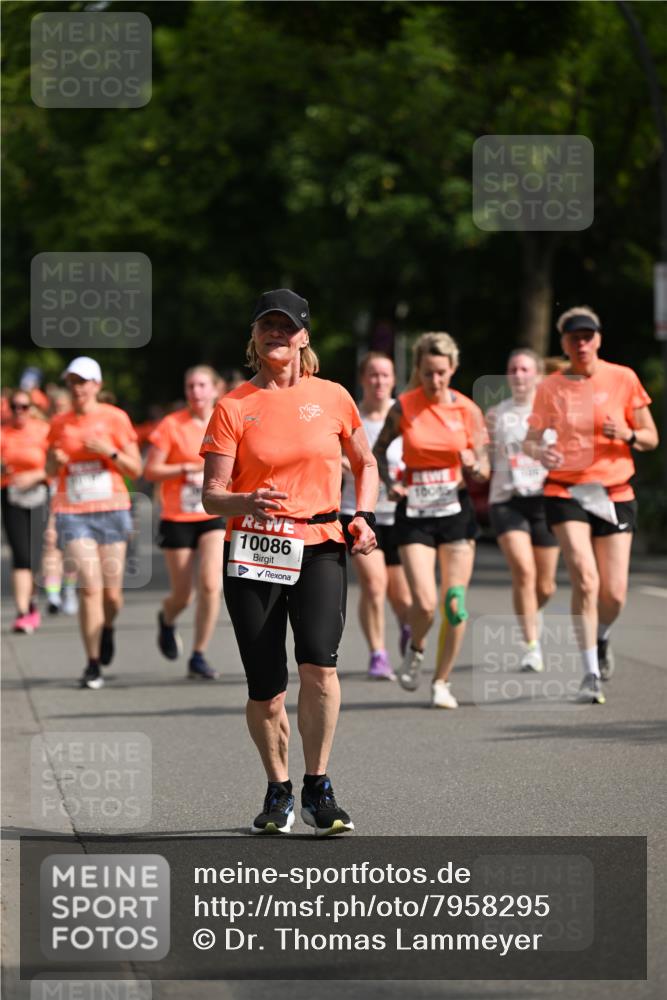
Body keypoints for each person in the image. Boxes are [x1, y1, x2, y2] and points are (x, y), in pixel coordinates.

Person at [201, 288, 377, 835]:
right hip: (254, 549)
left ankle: (317, 787)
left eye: (286, 326)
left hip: (320, 541)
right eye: (266, 325)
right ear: (254, 336)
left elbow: (365, 463)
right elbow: (211, 496)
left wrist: (363, 515)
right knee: (267, 687)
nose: (276, 333)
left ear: (304, 336)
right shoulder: (233, 406)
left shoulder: (333, 397)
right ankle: (277, 788)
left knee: (320, 667)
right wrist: (244, 501)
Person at [524, 306, 658, 704]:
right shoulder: (551, 386)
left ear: (598, 339)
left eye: (587, 336)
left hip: (615, 491)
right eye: (574, 338)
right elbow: (530, 441)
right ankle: (590, 674)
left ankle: (601, 638)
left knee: (614, 594)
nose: (581, 343)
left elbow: (651, 437)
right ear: (564, 343)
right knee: (585, 578)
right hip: (566, 489)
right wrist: (541, 453)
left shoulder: (623, 378)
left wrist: (629, 434)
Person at [374, 332, 489, 708]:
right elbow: (377, 451)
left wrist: (474, 466)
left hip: (455, 511)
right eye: (427, 373)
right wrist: (390, 484)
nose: (434, 380)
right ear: (418, 370)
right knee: (424, 604)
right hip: (415, 514)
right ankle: (417, 648)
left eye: (441, 372)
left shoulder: (468, 411)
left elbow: (485, 467)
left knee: (455, 604)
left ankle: (442, 681)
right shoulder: (404, 406)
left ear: (453, 369)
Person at [46, 357, 142, 689]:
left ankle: (108, 627)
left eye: (83, 381)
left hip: (112, 510)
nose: (77, 388)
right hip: (73, 511)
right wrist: (54, 460)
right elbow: (48, 470)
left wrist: (108, 451)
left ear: (97, 385)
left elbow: (136, 469)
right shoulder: (59, 423)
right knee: (89, 587)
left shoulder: (115, 418)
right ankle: (92, 663)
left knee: (111, 596)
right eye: (72, 382)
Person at [144, 365, 225, 680]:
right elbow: (151, 470)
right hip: (177, 516)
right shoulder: (171, 424)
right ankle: (167, 618)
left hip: (213, 514)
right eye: (191, 386)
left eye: (202, 385)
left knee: (211, 584)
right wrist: (185, 470)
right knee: (183, 595)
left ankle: (198, 655)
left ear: (215, 388)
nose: (196, 391)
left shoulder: (225, 420)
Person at [340, 352, 412, 679]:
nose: (379, 381)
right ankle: (377, 654)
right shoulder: (350, 415)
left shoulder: (406, 414)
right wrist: (349, 465)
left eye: (385, 375)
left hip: (399, 514)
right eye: (373, 374)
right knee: (374, 583)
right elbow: (328, 453)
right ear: (363, 379)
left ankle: (407, 627)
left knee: (403, 596)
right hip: (356, 512)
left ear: (394, 379)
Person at [486, 349, 559, 672]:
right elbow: (483, 455)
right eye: (513, 369)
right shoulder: (496, 415)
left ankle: (531, 611)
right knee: (524, 572)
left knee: (546, 586)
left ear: (538, 375)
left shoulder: (554, 414)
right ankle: (532, 645)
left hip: (544, 500)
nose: (518, 374)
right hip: (506, 500)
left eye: (525, 369)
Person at [1, 389, 50, 632]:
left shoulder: (43, 430)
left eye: (24, 406)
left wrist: (36, 475)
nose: (19, 411)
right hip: (11, 496)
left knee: (35, 556)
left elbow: (56, 465)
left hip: (39, 495)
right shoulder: (3, 433)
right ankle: (22, 612)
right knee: (21, 555)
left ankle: (32, 602)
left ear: (32, 409)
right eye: (15, 407)